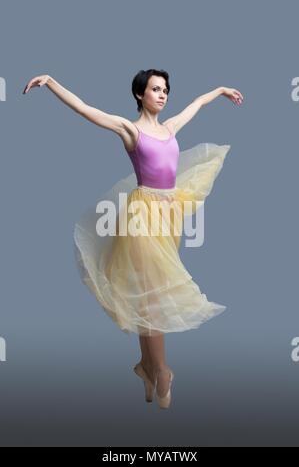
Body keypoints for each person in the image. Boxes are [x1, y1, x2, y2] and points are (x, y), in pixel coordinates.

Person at [23, 69, 243, 409]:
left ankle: (145, 367)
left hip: (169, 216)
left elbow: (197, 103)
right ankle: (162, 371)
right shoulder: (130, 131)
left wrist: (220, 90)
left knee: (146, 291)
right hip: (142, 217)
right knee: (153, 292)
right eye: (156, 89)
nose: (163, 94)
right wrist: (51, 82)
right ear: (140, 94)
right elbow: (85, 108)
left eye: (166, 90)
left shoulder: (169, 128)